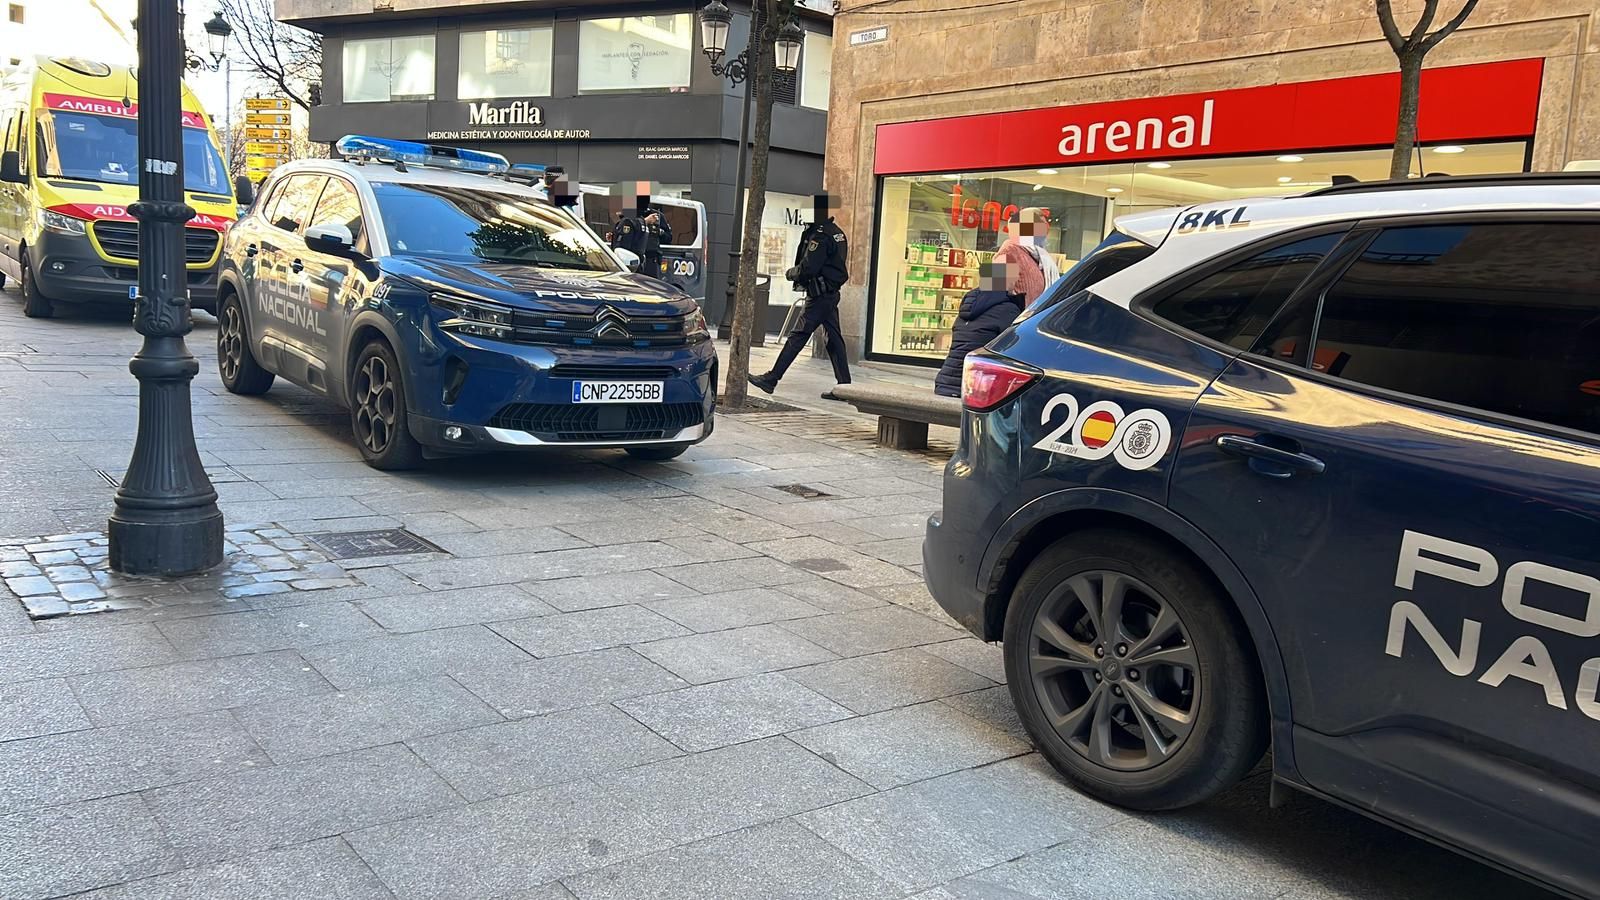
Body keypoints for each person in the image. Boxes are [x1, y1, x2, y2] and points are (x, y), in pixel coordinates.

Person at [748, 194, 851, 400]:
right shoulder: (837, 233)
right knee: (833, 339)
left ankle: (772, 378)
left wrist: (791, 273)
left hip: (819, 295)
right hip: (829, 294)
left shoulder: (820, 236)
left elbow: (809, 268)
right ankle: (846, 387)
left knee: (798, 336)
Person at [934, 261, 1024, 398]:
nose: (1016, 281)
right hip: (972, 387)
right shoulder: (1007, 310)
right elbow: (1015, 348)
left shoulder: (969, 306)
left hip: (945, 383)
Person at [993, 207, 1058, 306]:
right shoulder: (1010, 250)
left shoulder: (1041, 257)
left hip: (1037, 318)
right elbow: (994, 291)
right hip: (1016, 318)